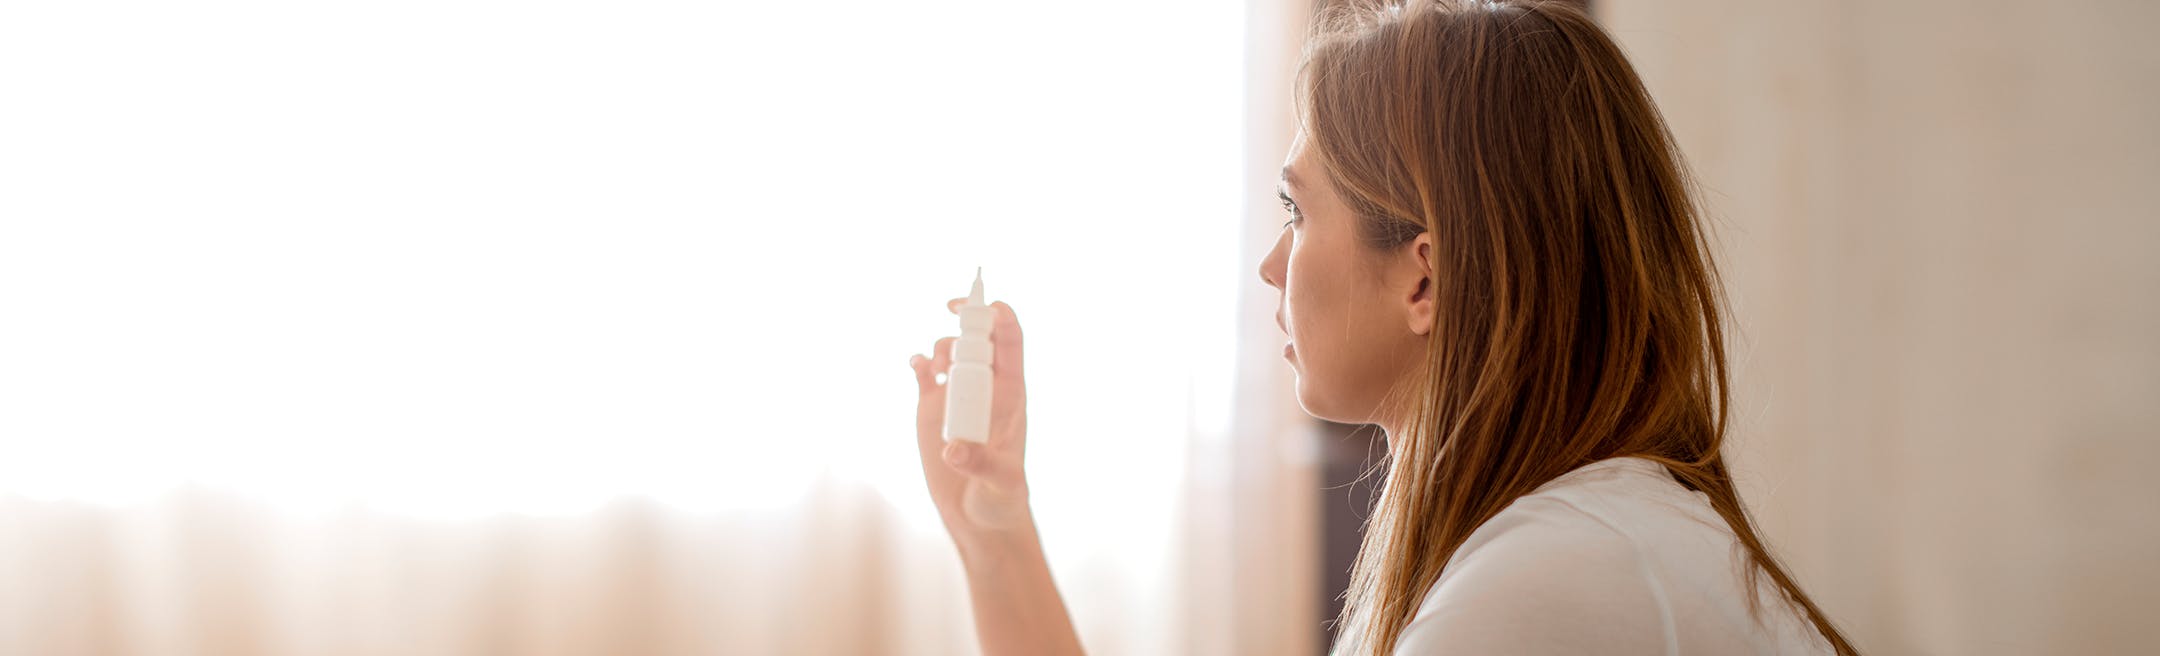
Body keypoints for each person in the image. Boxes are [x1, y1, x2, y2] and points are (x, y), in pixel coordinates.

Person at [905, 1, 1860, 654]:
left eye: (1295, 213)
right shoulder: (1581, 538)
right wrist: (997, 534)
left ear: (1423, 275)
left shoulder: (1549, 581)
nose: (1273, 268)